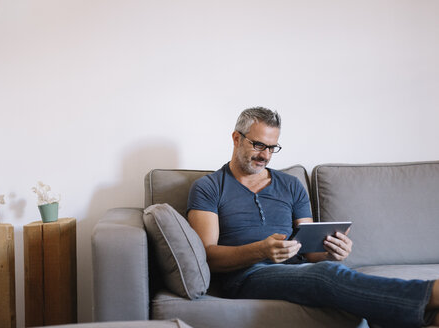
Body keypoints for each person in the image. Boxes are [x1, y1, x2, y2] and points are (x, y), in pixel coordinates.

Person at [186, 107, 439, 327]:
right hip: (246, 276)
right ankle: (431, 295)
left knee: (332, 269)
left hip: (297, 269)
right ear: (236, 138)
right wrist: (261, 250)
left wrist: (332, 250)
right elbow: (208, 255)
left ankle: (427, 319)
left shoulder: (291, 185)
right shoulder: (209, 187)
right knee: (326, 275)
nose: (265, 155)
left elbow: (310, 251)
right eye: (258, 145)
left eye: (272, 148)